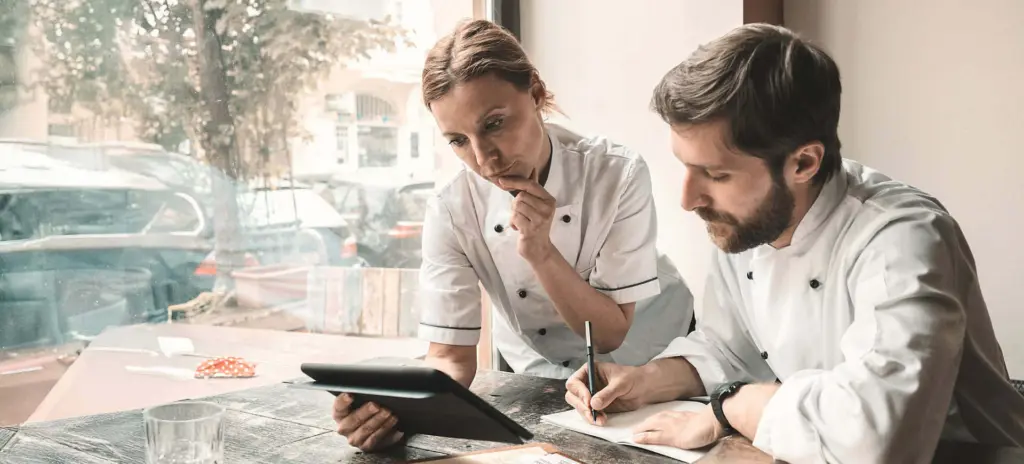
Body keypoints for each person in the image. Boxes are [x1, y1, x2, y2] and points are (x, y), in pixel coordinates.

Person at [563, 23, 1024, 463]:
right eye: (686, 166)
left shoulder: (904, 238)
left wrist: (730, 409)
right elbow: (731, 348)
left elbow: (879, 437)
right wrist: (644, 380)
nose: (688, 199)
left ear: (803, 162)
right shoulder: (746, 223)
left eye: (716, 174)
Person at [331, 19, 695, 452]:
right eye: (458, 141)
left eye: (494, 124)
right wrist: (395, 411)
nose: (484, 160)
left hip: (654, 354)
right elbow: (449, 356)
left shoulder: (615, 173)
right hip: (540, 375)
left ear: (536, 94)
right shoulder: (452, 208)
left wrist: (540, 250)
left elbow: (612, 331)